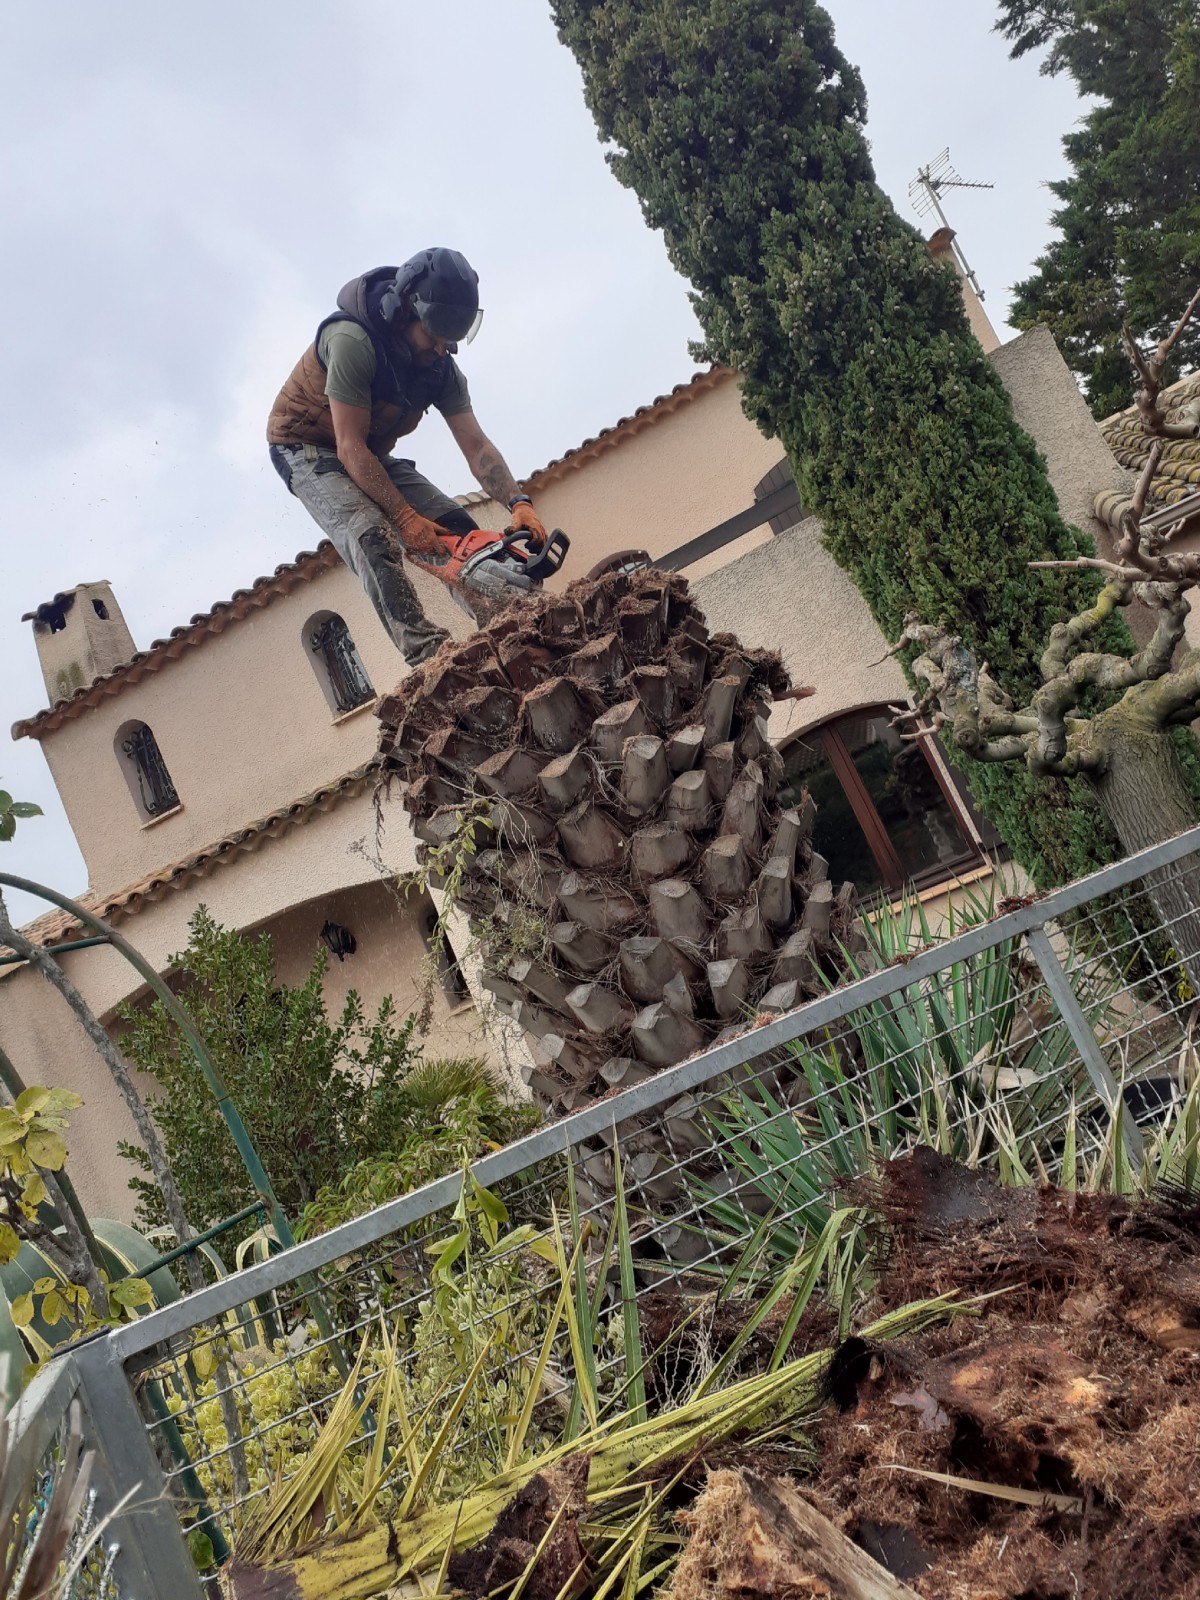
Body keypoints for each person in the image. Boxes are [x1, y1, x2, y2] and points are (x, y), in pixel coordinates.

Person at [267, 249, 546, 665]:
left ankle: (505, 621)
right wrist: (402, 517)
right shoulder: (351, 340)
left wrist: (519, 502)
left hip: (367, 452)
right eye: (433, 334)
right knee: (372, 534)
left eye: (449, 338)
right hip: (308, 448)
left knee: (457, 529)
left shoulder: (441, 367)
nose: (440, 347)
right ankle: (428, 655)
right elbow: (348, 447)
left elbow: (477, 446)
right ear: (404, 311)